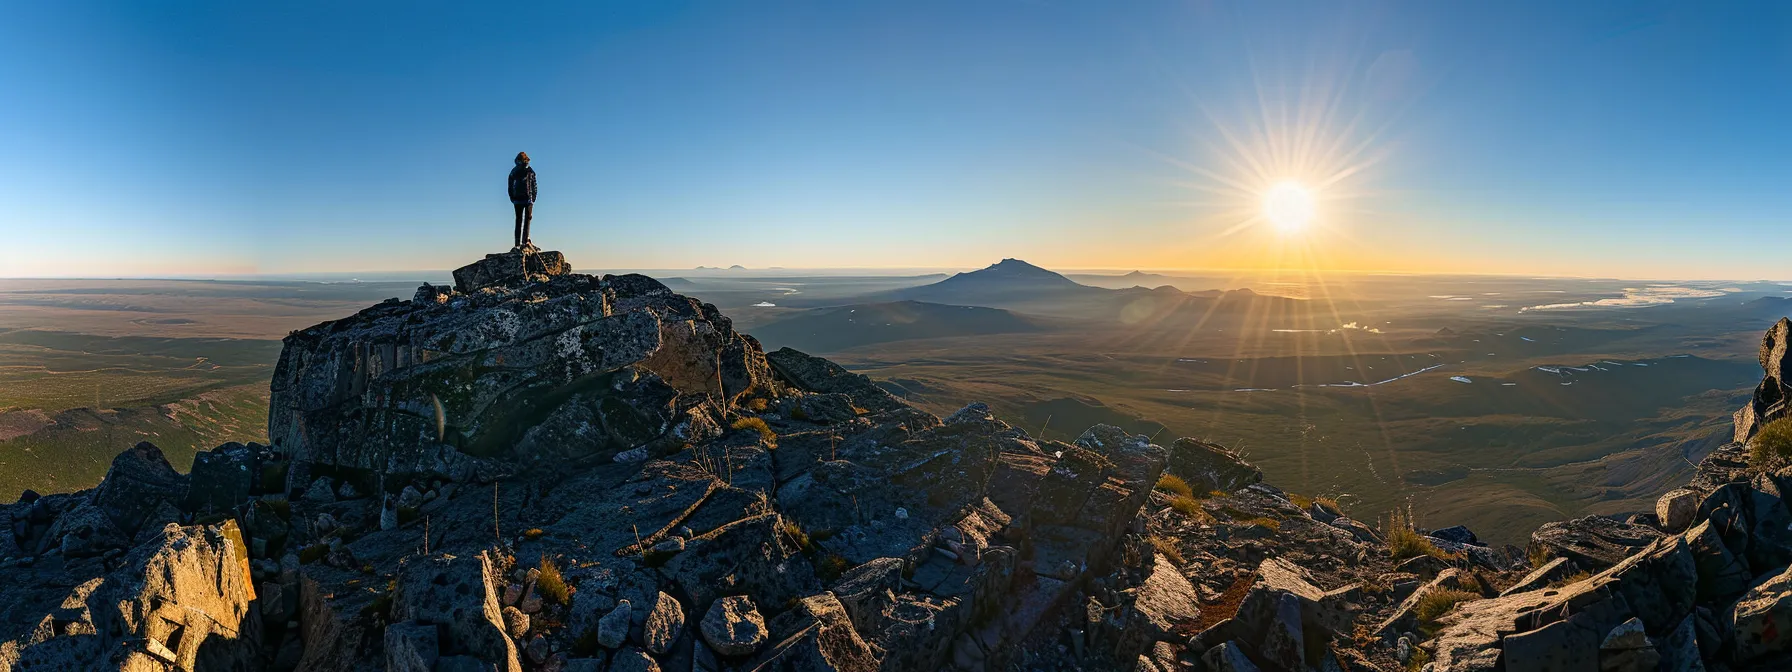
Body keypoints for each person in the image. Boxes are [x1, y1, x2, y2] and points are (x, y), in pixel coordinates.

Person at [508, 152, 538, 249]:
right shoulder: (516, 172)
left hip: (525, 199)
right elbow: (510, 186)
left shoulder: (527, 171)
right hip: (522, 200)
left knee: (522, 220)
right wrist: (513, 198)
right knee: (524, 219)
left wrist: (532, 198)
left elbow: (534, 185)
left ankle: (521, 242)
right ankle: (522, 242)